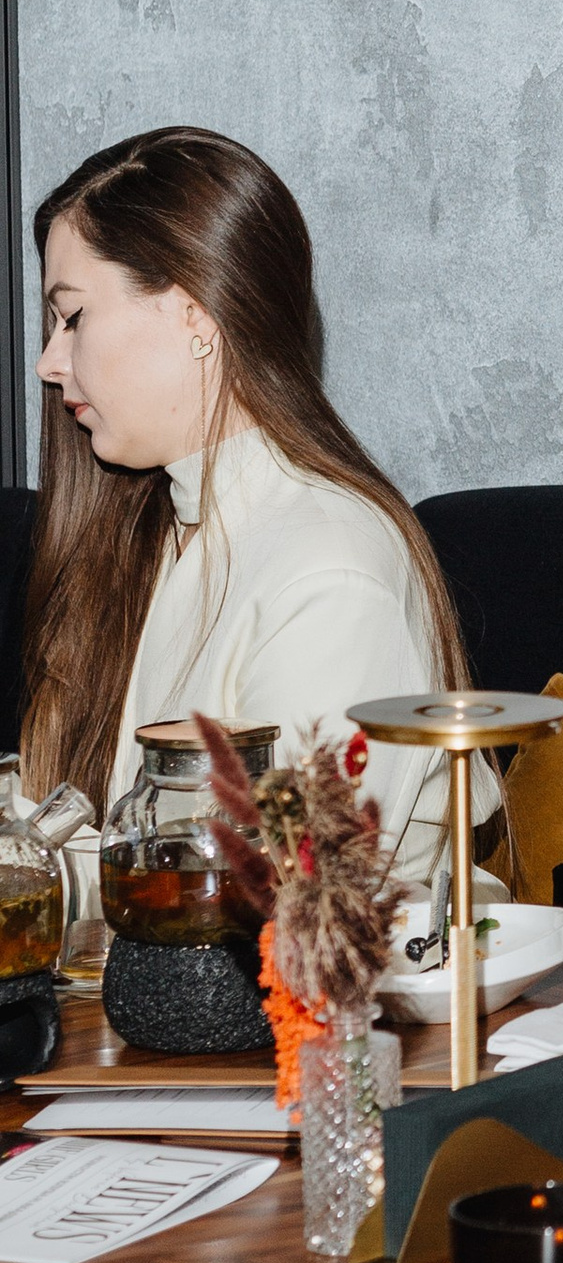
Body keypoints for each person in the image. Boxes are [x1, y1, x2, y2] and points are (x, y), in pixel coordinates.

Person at [19, 129, 467, 878]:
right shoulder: (163, 529)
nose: (49, 361)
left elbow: (279, 895)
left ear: (195, 317)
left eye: (74, 317)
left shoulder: (330, 570)